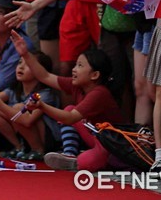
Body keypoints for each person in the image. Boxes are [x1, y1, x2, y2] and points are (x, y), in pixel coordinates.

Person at [11, 30, 122, 172]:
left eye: (80, 66)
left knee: (85, 162)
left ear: (95, 75)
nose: (74, 70)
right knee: (69, 108)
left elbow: (70, 119)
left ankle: (82, 158)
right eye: (75, 65)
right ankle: (69, 154)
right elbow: (45, 76)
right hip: (95, 137)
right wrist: (25, 54)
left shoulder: (99, 93)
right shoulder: (78, 85)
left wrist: (42, 106)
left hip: (111, 144)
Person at [0, 51, 57, 161]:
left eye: (28, 64)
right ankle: (19, 147)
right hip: (25, 134)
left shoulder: (44, 94)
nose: (21, 67)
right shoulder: (14, 90)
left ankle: (38, 150)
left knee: (18, 108)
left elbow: (28, 120)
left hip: (47, 138)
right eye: (20, 62)